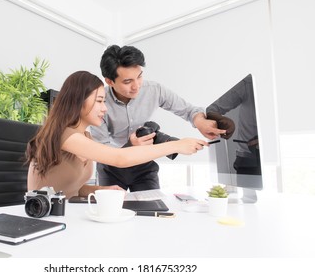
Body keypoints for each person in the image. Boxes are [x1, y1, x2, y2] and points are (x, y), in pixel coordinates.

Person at [26, 71, 208, 199]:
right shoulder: (65, 135)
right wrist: (176, 145)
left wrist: (101, 190)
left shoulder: (86, 138)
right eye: (99, 101)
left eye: (104, 101)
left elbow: (72, 189)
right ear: (78, 101)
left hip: (68, 213)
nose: (104, 108)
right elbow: (119, 158)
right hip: (44, 216)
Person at [90, 45, 226, 192]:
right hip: (111, 168)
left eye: (139, 76)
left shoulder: (154, 90)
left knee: (153, 209)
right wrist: (131, 145)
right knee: (111, 212)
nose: (137, 86)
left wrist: (200, 121)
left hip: (144, 163)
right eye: (128, 82)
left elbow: (189, 110)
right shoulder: (98, 102)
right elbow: (102, 150)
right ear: (110, 81)